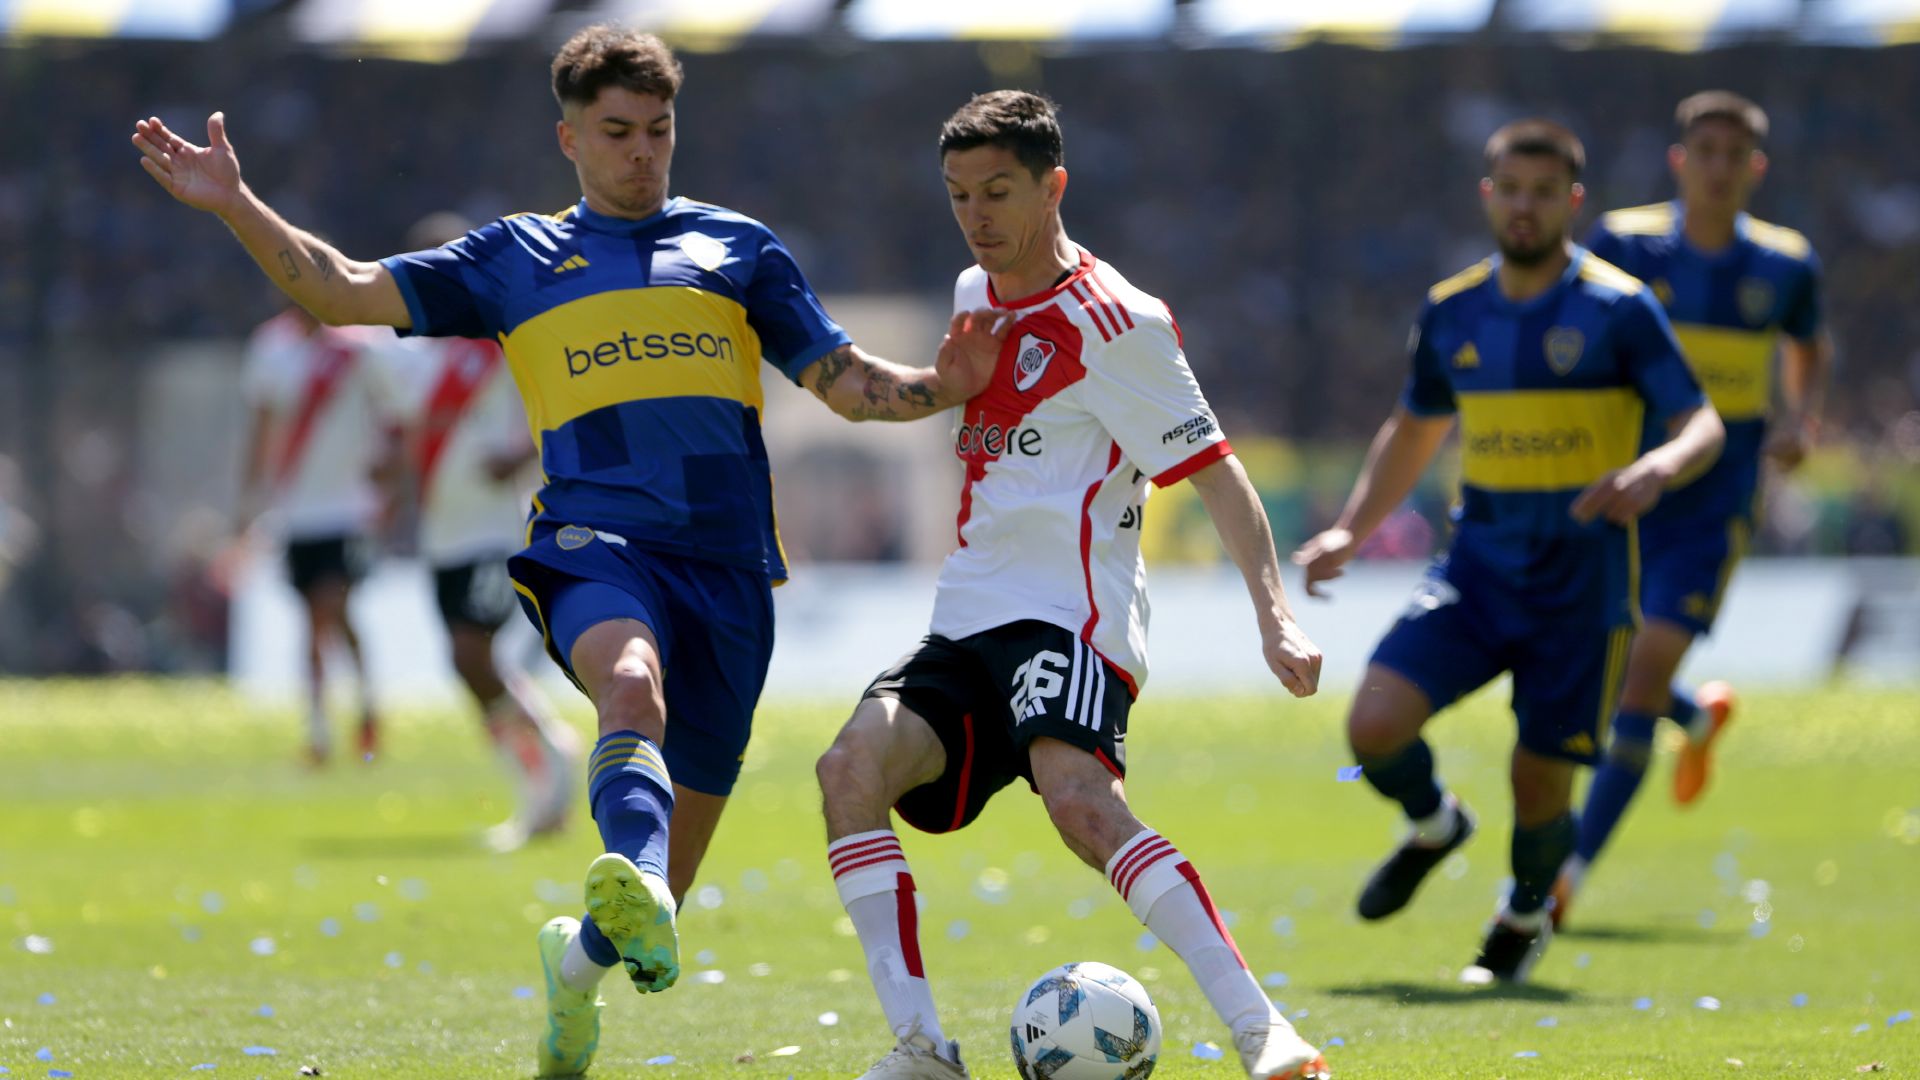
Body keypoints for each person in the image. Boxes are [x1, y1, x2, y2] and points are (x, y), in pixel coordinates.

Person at [132, 26, 1007, 1078]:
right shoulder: (514, 261)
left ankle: (577, 966)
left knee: (658, 912)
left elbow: (842, 381)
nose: (643, 151)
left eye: (659, 130)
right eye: (618, 131)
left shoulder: (737, 250)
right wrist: (235, 202)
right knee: (629, 683)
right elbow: (341, 288)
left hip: (730, 572)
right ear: (570, 139)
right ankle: (624, 864)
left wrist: (938, 390)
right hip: (595, 546)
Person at [814, 92, 1330, 1080]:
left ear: (1054, 185)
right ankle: (921, 1050)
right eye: (959, 194)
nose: (977, 215)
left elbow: (1218, 471)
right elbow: (956, 406)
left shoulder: (1118, 321)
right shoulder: (974, 292)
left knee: (1081, 804)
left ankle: (1266, 1034)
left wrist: (1276, 618)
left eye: (999, 191)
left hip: (1070, 619)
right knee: (847, 773)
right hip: (963, 628)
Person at [1292, 120, 1724, 984]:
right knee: (1372, 726)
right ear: (1489, 196)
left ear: (1572, 200)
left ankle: (1526, 910)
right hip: (1477, 570)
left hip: (1583, 586)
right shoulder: (1454, 308)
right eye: (1509, 189)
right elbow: (1414, 428)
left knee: (1539, 785)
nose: (1523, 206)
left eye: (1542, 192)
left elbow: (1701, 421)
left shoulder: (1619, 308)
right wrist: (1351, 528)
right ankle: (1434, 822)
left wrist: (1656, 468)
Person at [1555, 92, 1832, 923]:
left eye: (1733, 154)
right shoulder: (1625, 242)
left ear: (1756, 168)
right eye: (1703, 151)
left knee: (1637, 670)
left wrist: (1801, 418)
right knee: (1596, 662)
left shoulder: (1786, 264)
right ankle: (1692, 717)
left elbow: (1809, 346)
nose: (1717, 167)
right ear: (1681, 161)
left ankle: (1565, 876)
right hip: (1627, 475)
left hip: (1717, 496)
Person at [378, 211, 583, 852]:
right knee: (466, 664)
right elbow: (407, 442)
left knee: (475, 654)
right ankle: (537, 781)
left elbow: (554, 409)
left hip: (496, 532)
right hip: (442, 533)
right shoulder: (410, 359)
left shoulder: (499, 342)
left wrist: (518, 457)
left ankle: (552, 752)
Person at [237, 302, 392, 764]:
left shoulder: (363, 347)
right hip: (295, 510)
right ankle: (323, 723)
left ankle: (356, 711)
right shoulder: (271, 346)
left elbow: (391, 411)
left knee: (329, 607)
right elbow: (261, 425)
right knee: (317, 618)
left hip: (348, 510)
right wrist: (249, 499)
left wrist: (387, 475)